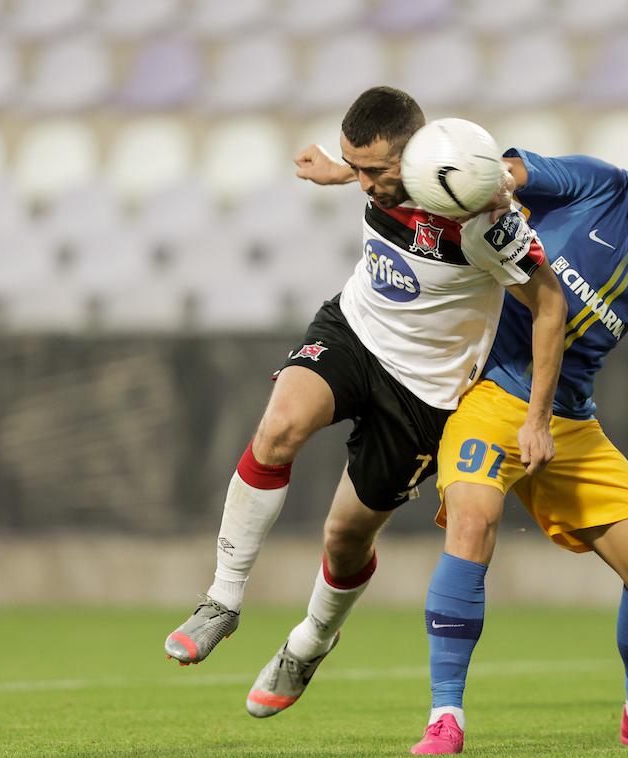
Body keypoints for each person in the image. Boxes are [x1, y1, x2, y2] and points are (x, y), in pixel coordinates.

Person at [301, 98, 628, 753]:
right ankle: (445, 718)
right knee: (472, 523)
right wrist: (363, 176)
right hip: (489, 395)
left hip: (568, 424)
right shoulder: (589, 182)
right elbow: (490, 174)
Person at [162, 87, 568, 713]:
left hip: (424, 394)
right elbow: (362, 176)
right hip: (354, 330)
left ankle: (310, 641)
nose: (364, 184)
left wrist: (538, 416)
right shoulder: (375, 179)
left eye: (373, 171)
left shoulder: (480, 217)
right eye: (356, 167)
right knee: (278, 429)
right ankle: (222, 599)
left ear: (417, 156)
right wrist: (338, 172)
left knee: (345, 538)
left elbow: (549, 305)